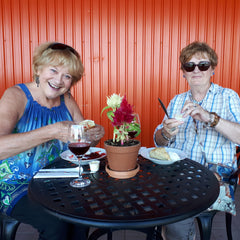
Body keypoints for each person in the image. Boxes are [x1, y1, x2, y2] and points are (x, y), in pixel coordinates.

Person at [0, 42, 104, 239]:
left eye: (67, 76)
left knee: (84, 210)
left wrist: (94, 135)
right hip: (14, 184)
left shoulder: (67, 99)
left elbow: (84, 143)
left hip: (58, 180)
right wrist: (51, 131)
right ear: (38, 68)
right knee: (56, 221)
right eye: (54, 70)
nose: (59, 80)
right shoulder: (15, 96)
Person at [154, 41, 240, 240]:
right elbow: (159, 142)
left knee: (174, 207)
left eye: (203, 65)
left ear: (213, 70)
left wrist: (210, 117)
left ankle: (176, 232)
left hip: (217, 176)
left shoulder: (228, 97)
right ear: (183, 72)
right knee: (147, 193)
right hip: (180, 172)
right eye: (189, 65)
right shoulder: (176, 101)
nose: (196, 70)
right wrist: (167, 133)